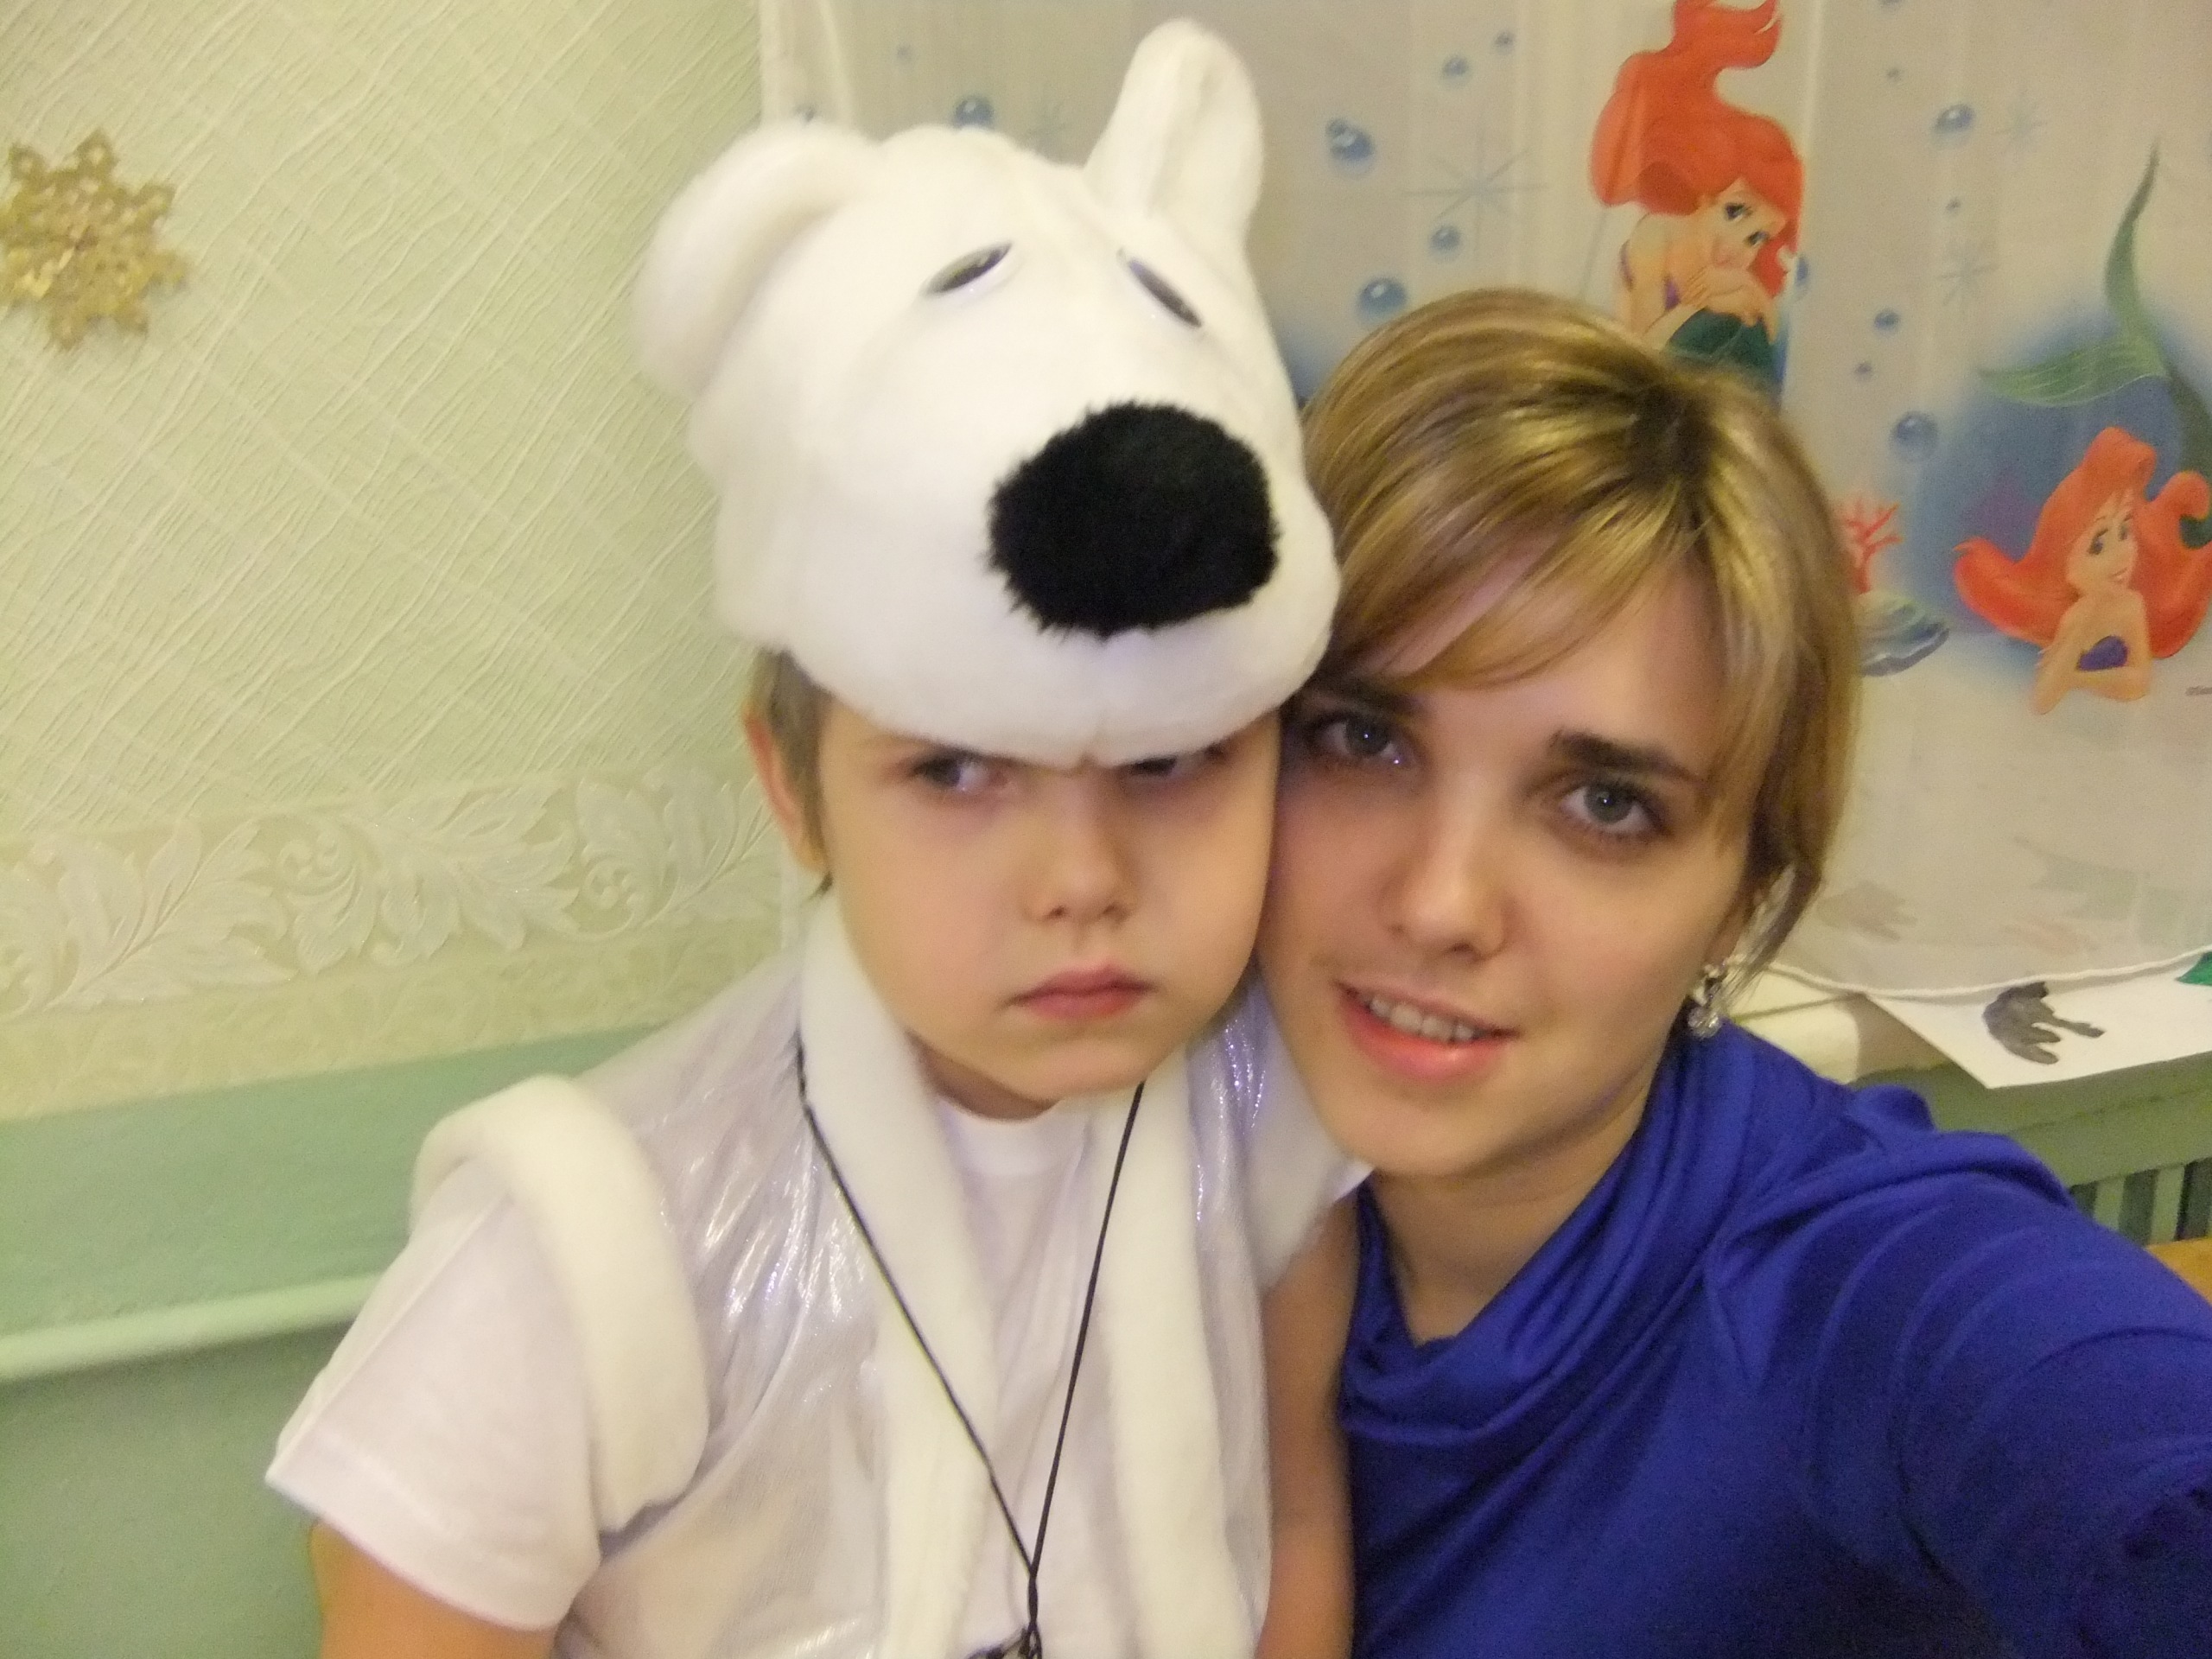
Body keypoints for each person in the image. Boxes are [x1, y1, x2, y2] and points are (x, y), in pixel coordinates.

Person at [267, 22, 1353, 1659]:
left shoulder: (1268, 1121)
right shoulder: (580, 1250)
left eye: (1173, 762)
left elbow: (1293, 1525)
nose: (1082, 882)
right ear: (793, 787)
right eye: (958, 772)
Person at [1260, 287, 2212, 1656]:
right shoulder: (1159, 1165)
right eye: (1363, 738)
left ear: (1743, 903)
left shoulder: (1843, 1287)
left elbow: (2109, 1443)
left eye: (1604, 805)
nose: (1440, 902)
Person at [1589, 0, 1802, 386]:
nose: (1739, 244)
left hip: (1710, 394)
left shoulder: (1733, 270)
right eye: (1735, 212)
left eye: (1757, 238)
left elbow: (1773, 349)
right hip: (1644, 387)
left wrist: (1749, 289)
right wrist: (1702, 305)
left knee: (1747, 333)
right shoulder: (1657, 235)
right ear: (1706, 195)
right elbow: (1645, 353)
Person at [1953, 423, 2211, 714]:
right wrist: (2078, 635)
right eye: (2097, 546)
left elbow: (2139, 681)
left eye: (2125, 532)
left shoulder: (2130, 605)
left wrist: (2076, 679)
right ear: (2064, 559)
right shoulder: (2075, 618)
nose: (2121, 555)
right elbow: (2043, 701)